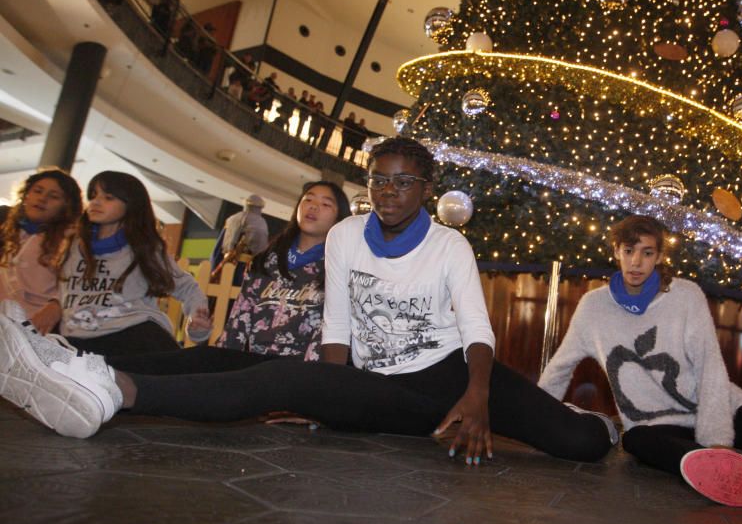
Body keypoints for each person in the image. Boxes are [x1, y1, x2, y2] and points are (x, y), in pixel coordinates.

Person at [0, 139, 616, 467]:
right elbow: (340, 321)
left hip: (456, 377)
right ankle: (100, 381)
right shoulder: (348, 235)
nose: (389, 190)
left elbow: (478, 328)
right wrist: (326, 392)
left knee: (580, 446)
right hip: (381, 385)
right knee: (249, 367)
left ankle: (603, 426)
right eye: (379, 179)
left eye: (404, 181)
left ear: (427, 189)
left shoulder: (450, 244)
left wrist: (477, 398)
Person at [538, 215, 742, 507]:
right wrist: (538, 419)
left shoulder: (686, 295)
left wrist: (717, 441)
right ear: (616, 251)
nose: (636, 262)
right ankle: (738, 475)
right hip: (657, 425)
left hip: (720, 408)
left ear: (658, 257)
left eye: (647, 253)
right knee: (636, 440)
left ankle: (729, 468)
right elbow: (561, 366)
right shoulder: (594, 306)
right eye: (629, 251)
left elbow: (709, 364)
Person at [58, 171, 212, 355]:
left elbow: (186, 287)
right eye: (93, 196)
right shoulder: (72, 246)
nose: (96, 202)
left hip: (132, 334)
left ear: (131, 205)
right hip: (77, 339)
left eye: (108, 197)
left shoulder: (144, 247)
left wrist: (198, 325)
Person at [217, 180, 349, 360]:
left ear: (339, 219)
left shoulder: (338, 270)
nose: (314, 207)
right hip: (252, 369)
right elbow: (237, 324)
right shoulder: (264, 262)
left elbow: (328, 337)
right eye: (308, 200)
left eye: (326, 204)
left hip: (300, 375)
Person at [0, 170, 82, 333]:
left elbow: (79, 285)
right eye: (37, 191)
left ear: (66, 206)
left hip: (37, 331)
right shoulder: (9, 232)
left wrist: (57, 306)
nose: (42, 198)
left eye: (54, 196)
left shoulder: (72, 240)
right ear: (26, 195)